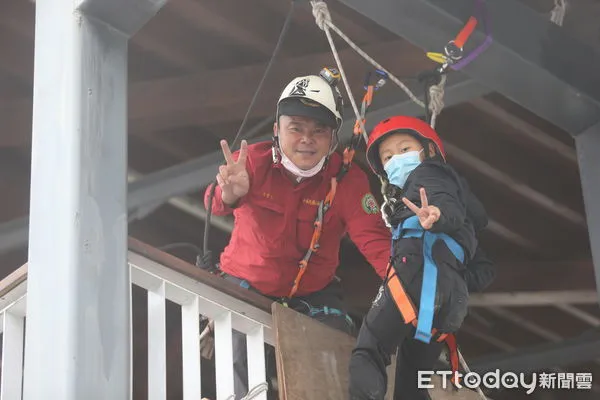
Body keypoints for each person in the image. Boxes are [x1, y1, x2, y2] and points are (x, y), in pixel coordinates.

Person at [204, 68, 392, 399]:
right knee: (236, 358)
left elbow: (376, 243)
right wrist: (230, 193)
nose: (306, 138)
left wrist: (411, 290)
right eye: (296, 128)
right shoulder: (251, 161)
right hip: (244, 284)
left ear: (333, 139)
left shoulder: (348, 181)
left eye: (319, 131)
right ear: (277, 130)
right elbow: (213, 204)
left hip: (314, 294)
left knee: (334, 363)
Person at [347, 115, 492, 400]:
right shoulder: (467, 218)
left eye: (404, 150)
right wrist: (449, 278)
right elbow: (486, 270)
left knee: (369, 351)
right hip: (449, 303)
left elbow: (441, 203)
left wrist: (436, 216)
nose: (395, 160)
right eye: (387, 157)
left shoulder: (430, 175)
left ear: (428, 151)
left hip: (414, 273)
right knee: (411, 384)